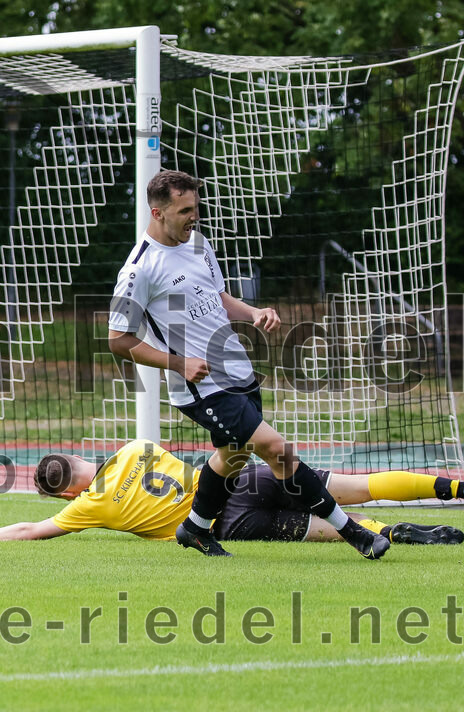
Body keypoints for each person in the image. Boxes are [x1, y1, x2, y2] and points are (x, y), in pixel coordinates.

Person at [106, 169, 386, 558]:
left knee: (232, 456)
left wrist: (253, 312)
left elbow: (217, 296)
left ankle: (195, 527)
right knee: (276, 449)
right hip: (201, 387)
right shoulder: (138, 271)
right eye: (185, 209)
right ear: (158, 212)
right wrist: (178, 363)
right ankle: (356, 534)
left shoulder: (199, 244)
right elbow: (118, 340)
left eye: (196, 207)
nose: (194, 216)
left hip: (237, 371)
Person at [0, 440, 464, 544]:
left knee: (323, 532)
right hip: (240, 479)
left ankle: (398, 534)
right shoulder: (137, 445)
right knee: (356, 486)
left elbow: (28, 530)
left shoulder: (91, 508)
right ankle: (450, 486)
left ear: (65, 496)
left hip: (226, 522)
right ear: (78, 455)